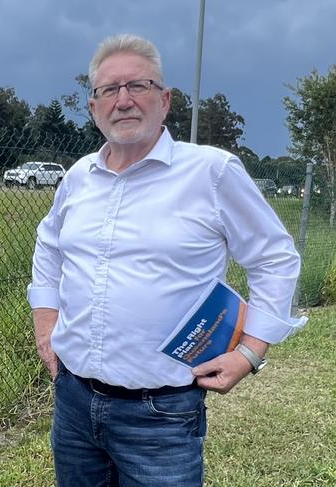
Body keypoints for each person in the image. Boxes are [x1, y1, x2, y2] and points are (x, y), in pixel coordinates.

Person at [28, 34, 307, 487]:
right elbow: (49, 246)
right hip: (74, 403)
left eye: (138, 86)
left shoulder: (212, 173)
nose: (123, 101)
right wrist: (45, 321)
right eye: (108, 90)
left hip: (162, 414)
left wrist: (252, 351)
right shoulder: (79, 178)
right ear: (93, 106)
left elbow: (274, 257)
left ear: (165, 99)